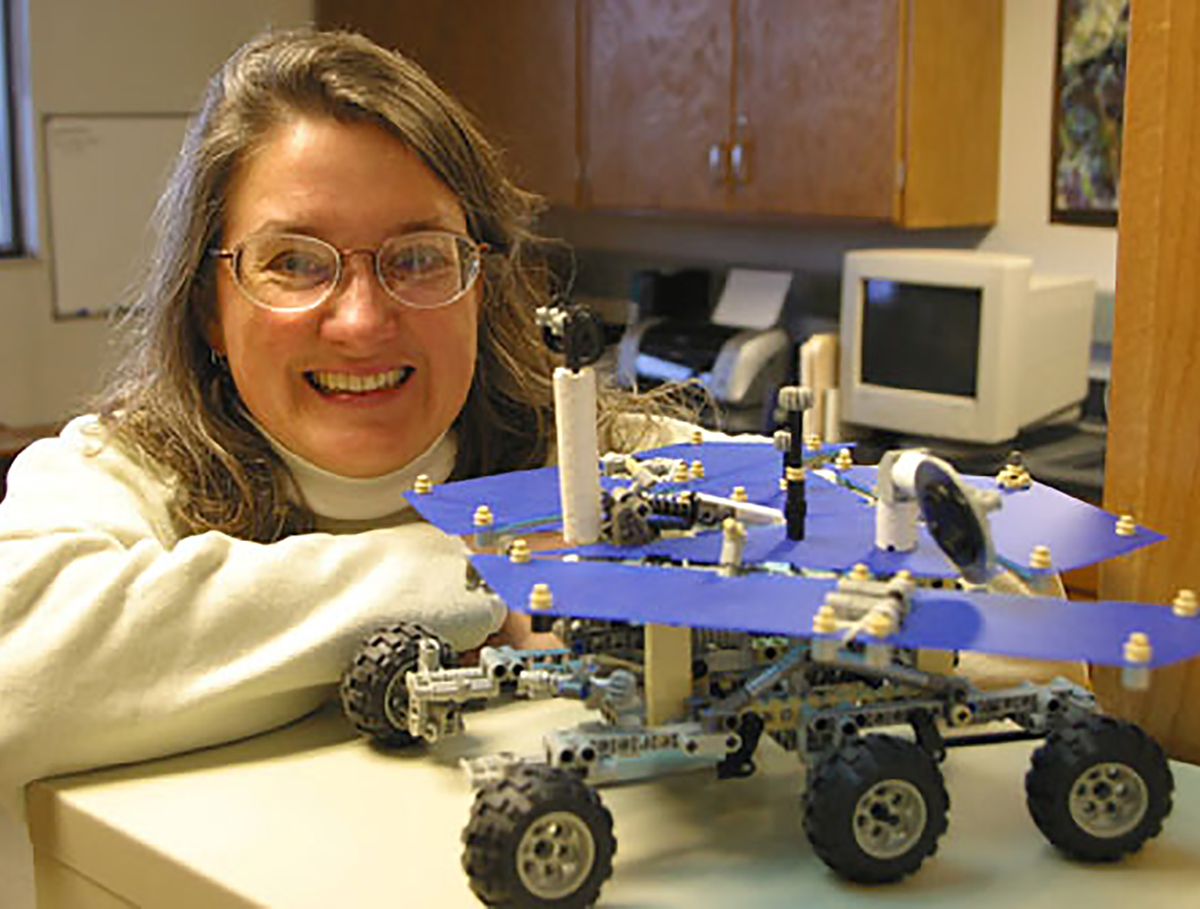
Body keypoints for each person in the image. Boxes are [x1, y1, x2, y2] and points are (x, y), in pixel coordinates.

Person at [0, 28, 689, 906]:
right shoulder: (115, 477)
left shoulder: (601, 459)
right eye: (293, 262)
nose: (363, 321)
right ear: (210, 305)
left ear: (481, 281)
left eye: (416, 257)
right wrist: (473, 570)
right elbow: (18, 669)